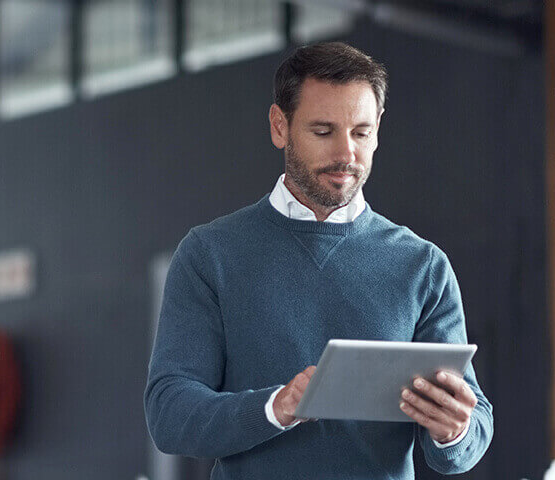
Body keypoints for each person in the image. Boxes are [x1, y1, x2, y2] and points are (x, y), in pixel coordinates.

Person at [144, 41, 493, 479]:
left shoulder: (422, 266)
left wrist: (454, 430)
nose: (346, 154)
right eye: (324, 131)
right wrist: (277, 407)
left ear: (379, 129)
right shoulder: (209, 255)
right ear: (279, 126)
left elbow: (473, 425)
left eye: (361, 132)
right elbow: (170, 416)